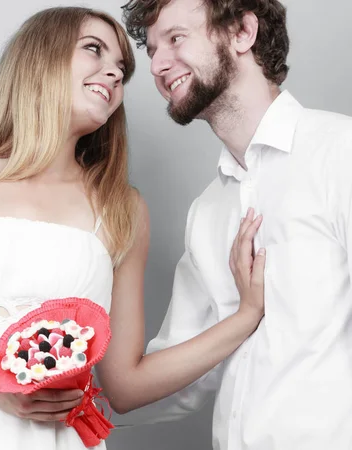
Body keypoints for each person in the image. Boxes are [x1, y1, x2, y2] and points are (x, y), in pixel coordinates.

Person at [0, 6, 264, 450]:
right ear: (39, 58)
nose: (114, 74)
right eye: (93, 50)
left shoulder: (122, 210)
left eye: (122, 69)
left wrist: (244, 318)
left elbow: (126, 386)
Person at [106, 0, 352, 449]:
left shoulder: (341, 153)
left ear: (242, 33)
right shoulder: (208, 211)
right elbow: (182, 376)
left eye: (176, 38)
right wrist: (65, 396)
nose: (158, 65)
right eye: (152, 49)